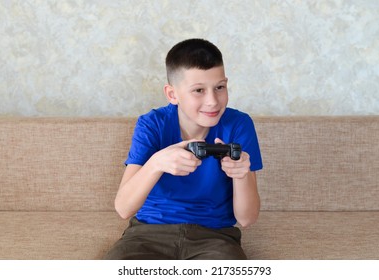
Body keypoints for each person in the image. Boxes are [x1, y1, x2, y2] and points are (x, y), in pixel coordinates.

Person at [104, 38, 263, 260]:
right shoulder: (152, 124)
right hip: (148, 235)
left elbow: (247, 218)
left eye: (219, 87)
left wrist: (241, 175)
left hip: (215, 237)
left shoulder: (239, 124)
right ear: (172, 94)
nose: (213, 101)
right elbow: (123, 209)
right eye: (198, 90)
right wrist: (157, 163)